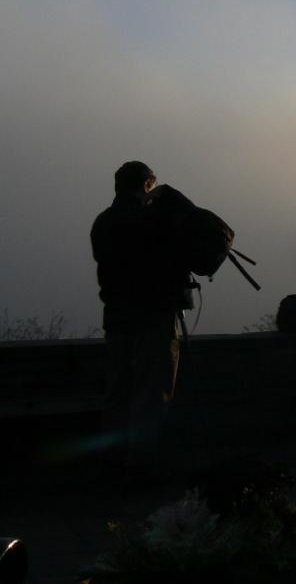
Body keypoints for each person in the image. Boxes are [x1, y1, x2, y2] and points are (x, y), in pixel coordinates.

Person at [90, 161, 190, 483]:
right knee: (151, 392)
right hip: (155, 317)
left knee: (117, 392)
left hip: (117, 318)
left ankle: (111, 460)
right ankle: (140, 466)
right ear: (147, 184)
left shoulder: (102, 222)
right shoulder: (153, 221)